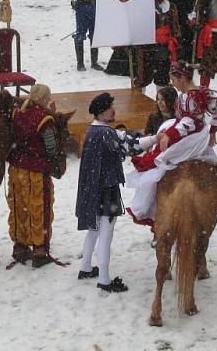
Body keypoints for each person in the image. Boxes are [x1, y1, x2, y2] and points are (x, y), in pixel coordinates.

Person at [126, 61, 217, 227]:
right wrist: (212, 132)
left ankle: (149, 204)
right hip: (193, 133)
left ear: (182, 78)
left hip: (190, 136)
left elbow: (190, 122)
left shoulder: (191, 97)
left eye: (173, 79)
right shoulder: (199, 93)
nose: (172, 83)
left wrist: (170, 135)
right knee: (213, 162)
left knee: (161, 162)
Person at [76, 92, 142, 293]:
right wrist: (156, 138)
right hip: (106, 189)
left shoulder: (93, 131)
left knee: (94, 229)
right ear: (102, 112)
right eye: (110, 108)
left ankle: (86, 267)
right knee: (106, 232)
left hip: (92, 188)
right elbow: (131, 146)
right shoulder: (105, 133)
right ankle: (104, 279)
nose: (114, 110)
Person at [6, 84, 62, 268]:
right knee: (39, 208)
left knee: (19, 206)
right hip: (36, 171)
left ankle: (20, 246)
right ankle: (39, 250)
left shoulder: (17, 113)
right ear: (45, 99)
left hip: (16, 169)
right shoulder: (44, 119)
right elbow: (51, 148)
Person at [134, 0, 181, 91]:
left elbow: (175, 27)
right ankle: (140, 105)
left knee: (162, 78)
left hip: (164, 47)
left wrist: (175, 43)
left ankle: (162, 103)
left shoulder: (171, 6)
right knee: (142, 78)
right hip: (146, 47)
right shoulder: (144, 6)